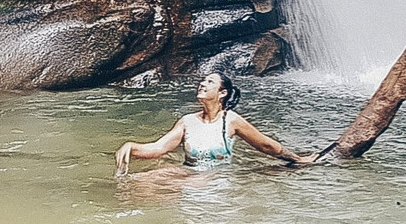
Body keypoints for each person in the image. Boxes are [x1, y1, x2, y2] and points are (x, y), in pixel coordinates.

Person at [114, 71, 314, 174]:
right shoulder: (187, 121)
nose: (202, 84)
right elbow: (158, 148)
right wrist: (131, 146)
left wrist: (297, 159)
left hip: (216, 178)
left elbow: (266, 145)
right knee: (138, 182)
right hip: (189, 173)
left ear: (222, 93)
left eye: (210, 82)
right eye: (202, 81)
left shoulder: (231, 120)